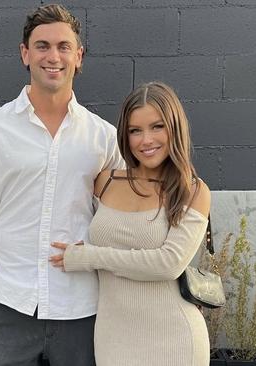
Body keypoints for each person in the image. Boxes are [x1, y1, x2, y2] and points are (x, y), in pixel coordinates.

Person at [0, 4, 124, 366]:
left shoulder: (105, 138)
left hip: (81, 311)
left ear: (79, 56)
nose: (53, 56)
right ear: (25, 54)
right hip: (5, 308)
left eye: (63, 46)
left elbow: (123, 221)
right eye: (42, 46)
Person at [49, 82, 211, 366]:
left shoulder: (193, 191)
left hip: (175, 338)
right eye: (135, 130)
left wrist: (89, 257)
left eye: (157, 126)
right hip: (113, 336)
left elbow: (168, 264)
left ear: (175, 128)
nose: (146, 140)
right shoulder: (106, 181)